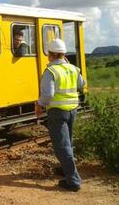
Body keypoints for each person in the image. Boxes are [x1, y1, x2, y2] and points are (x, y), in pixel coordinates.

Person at [35, 38, 85, 192]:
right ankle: (66, 170)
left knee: (62, 146)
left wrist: (39, 104)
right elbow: (81, 85)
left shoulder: (50, 71)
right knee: (67, 143)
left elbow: (48, 94)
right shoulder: (73, 68)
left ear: (50, 54)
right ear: (63, 54)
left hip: (57, 111)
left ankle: (73, 181)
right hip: (72, 110)